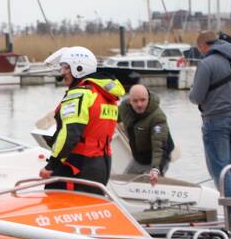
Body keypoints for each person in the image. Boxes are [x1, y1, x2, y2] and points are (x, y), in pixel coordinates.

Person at [40, 46, 126, 189]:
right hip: (101, 164)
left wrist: (52, 165)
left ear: (78, 68)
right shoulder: (105, 96)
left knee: (56, 200)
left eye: (66, 68)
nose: (62, 73)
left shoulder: (79, 94)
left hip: (77, 166)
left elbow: (70, 134)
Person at [189, 30, 231, 215]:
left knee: (220, 168)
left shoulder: (207, 63)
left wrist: (191, 94)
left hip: (217, 120)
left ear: (202, 46)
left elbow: (196, 97)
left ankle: (230, 212)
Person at [118, 84, 174, 184]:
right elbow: (111, 117)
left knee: (151, 182)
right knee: (124, 182)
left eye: (143, 100)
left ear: (148, 98)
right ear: (130, 101)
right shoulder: (124, 109)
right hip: (139, 157)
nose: (139, 104)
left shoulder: (158, 117)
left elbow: (159, 147)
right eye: (135, 101)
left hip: (158, 156)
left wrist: (155, 169)